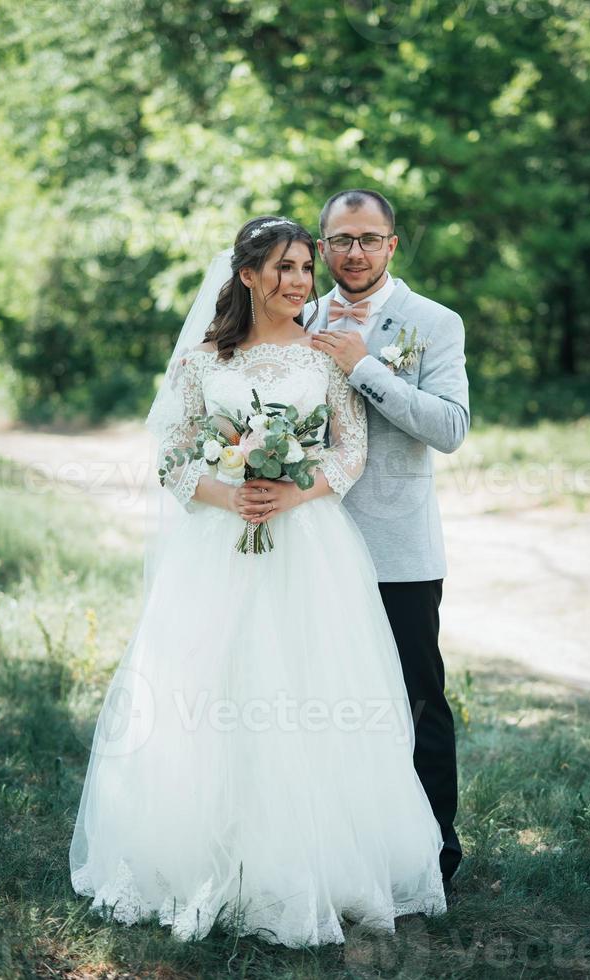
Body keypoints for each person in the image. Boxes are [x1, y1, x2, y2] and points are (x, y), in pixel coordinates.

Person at [69, 216, 446, 949]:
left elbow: (351, 451)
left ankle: (309, 864)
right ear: (246, 275)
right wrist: (231, 495)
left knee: (310, 694)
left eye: (306, 267)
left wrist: (293, 492)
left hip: (310, 546)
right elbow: (174, 460)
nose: (300, 281)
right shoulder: (202, 363)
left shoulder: (325, 356)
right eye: (284, 268)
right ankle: (206, 858)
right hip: (218, 548)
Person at [308, 189, 470, 886]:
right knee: (322, 702)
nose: (355, 253)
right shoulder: (296, 316)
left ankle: (435, 855)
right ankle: (343, 847)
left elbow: (450, 428)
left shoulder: (433, 322)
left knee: (417, 703)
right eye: (342, 240)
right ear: (322, 248)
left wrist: (363, 367)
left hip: (398, 552)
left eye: (369, 238)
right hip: (311, 547)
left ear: (392, 244)